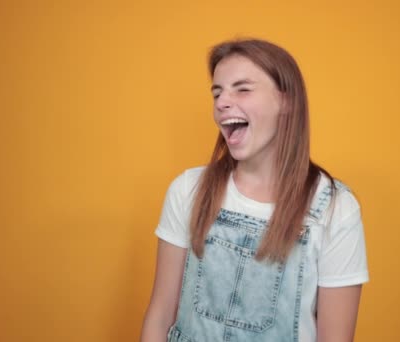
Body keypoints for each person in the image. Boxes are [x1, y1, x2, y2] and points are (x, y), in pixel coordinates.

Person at [141, 38, 369, 342]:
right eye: (217, 92)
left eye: (243, 89)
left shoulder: (335, 208)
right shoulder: (188, 190)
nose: (222, 102)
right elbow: (159, 318)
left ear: (286, 102)